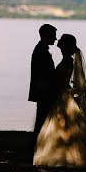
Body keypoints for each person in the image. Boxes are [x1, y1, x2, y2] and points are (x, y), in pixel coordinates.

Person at [33, 33, 86, 168]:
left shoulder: (67, 61)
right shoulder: (66, 59)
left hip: (62, 96)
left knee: (64, 127)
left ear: (65, 45)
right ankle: (63, 153)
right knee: (64, 128)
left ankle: (64, 155)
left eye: (61, 41)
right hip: (62, 95)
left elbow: (62, 81)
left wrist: (52, 85)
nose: (58, 42)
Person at [28, 23, 59, 152]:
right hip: (44, 92)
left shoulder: (41, 49)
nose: (55, 39)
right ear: (46, 35)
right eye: (53, 35)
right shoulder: (41, 51)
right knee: (42, 122)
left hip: (44, 92)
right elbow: (44, 75)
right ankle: (37, 148)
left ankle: (39, 147)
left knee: (43, 121)